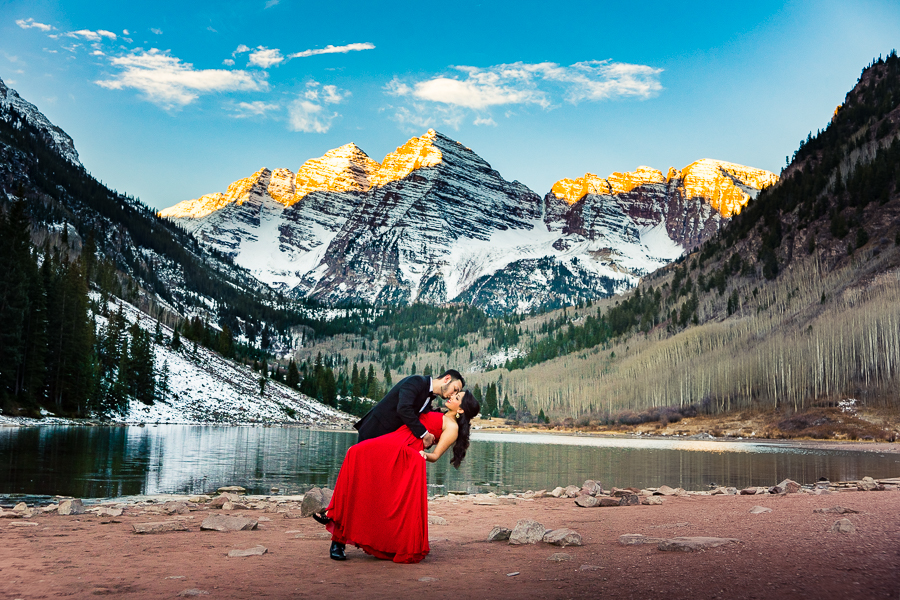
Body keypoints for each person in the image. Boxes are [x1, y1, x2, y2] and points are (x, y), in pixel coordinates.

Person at [318, 390, 480, 563]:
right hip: (393, 440)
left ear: (461, 410)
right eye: (453, 394)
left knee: (387, 496)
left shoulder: (452, 427)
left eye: (456, 398)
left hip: (406, 453)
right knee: (355, 454)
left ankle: (374, 541)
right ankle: (337, 534)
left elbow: (435, 455)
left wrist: (423, 455)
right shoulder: (435, 411)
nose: (450, 397)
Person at [353, 370, 466, 448]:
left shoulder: (428, 396)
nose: (453, 394)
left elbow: (426, 415)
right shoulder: (416, 381)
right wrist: (424, 434)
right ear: (447, 379)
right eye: (455, 389)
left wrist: (452, 416)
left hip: (386, 439)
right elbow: (404, 409)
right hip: (373, 431)